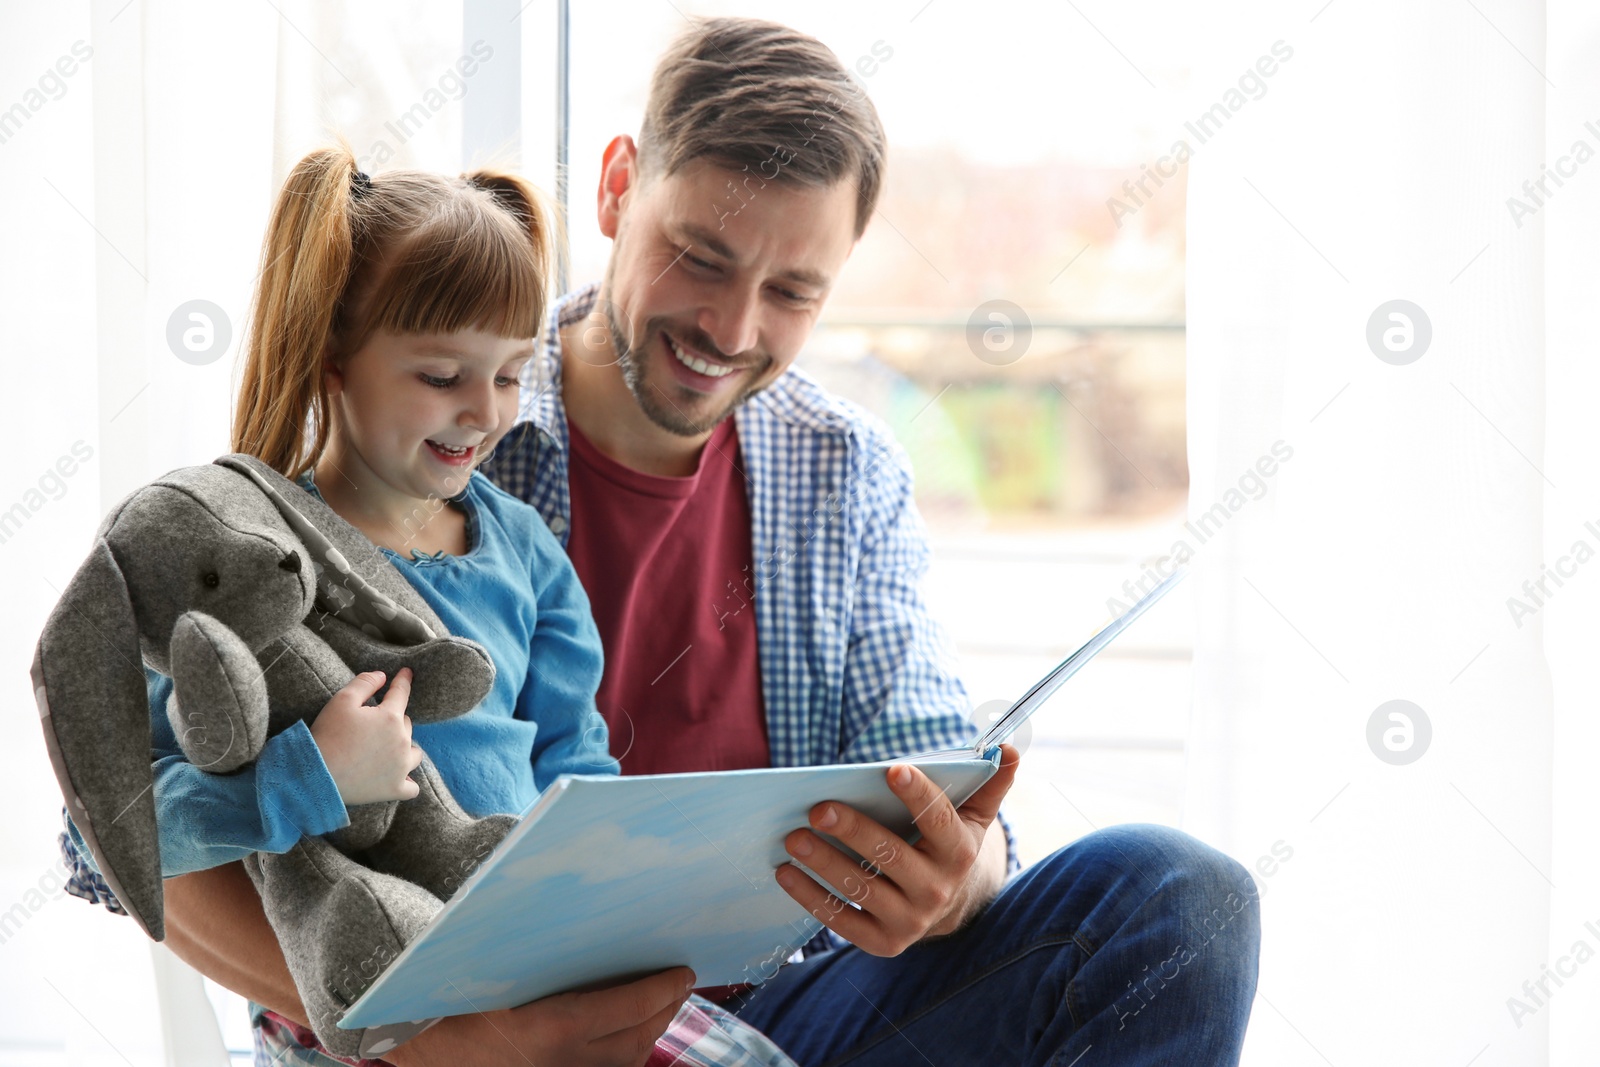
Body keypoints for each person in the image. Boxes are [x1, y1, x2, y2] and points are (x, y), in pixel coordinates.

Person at [63, 15, 1262, 1067]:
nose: (731, 328)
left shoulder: (844, 474)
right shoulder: (420, 441)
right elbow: (115, 831)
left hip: (771, 1020)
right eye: (702, 257)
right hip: (472, 1022)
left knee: (1183, 902)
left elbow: (929, 758)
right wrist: (454, 1038)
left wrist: (962, 877)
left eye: (793, 290)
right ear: (619, 188)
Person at [59, 147, 797, 1067]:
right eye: (442, 377)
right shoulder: (244, 558)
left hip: (531, 966)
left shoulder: (524, 547)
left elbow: (578, 763)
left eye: (511, 373)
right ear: (333, 357)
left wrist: (626, 901)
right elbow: (135, 818)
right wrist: (315, 774)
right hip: (347, 999)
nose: (485, 413)